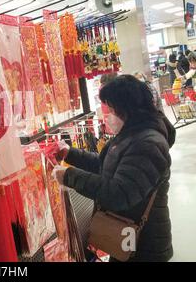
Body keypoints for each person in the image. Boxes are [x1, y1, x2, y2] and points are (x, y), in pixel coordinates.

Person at [54, 75, 175, 262]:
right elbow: (106, 166)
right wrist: (70, 154)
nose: (107, 115)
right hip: (126, 236)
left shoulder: (148, 144)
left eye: (110, 109)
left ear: (127, 108)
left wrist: (69, 176)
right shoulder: (131, 133)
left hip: (144, 246)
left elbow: (119, 193)